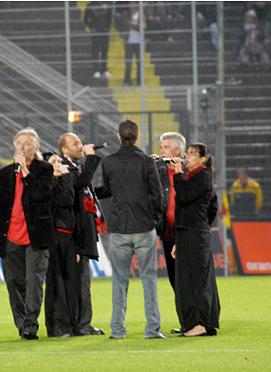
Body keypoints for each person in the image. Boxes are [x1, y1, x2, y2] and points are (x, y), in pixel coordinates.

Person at [0, 128, 54, 340]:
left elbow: (40, 194)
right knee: (14, 284)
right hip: (10, 237)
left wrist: (25, 172)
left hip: (36, 238)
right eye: (19, 143)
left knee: (33, 283)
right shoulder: (5, 174)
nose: (21, 147)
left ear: (36, 147)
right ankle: (22, 324)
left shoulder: (45, 170)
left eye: (26, 143)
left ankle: (31, 325)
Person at [96, 119, 166, 339]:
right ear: (137, 137)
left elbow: (108, 190)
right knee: (149, 278)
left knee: (119, 280)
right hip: (144, 226)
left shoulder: (108, 162)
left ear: (119, 137)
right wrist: (156, 219)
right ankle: (152, 329)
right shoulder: (146, 161)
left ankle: (117, 329)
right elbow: (158, 194)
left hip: (119, 227)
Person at [58, 132, 105, 336]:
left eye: (80, 142)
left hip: (82, 233)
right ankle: (81, 324)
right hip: (75, 235)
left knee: (82, 281)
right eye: (75, 143)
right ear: (64, 150)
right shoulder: (64, 167)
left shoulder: (74, 167)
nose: (81, 145)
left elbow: (87, 187)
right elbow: (81, 182)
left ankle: (81, 323)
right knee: (79, 282)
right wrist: (92, 157)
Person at [171, 143, 220, 337]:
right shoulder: (192, 177)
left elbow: (184, 197)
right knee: (186, 281)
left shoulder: (203, 176)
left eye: (192, 154)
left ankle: (201, 323)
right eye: (187, 153)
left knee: (197, 280)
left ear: (202, 159)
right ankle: (192, 322)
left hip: (195, 234)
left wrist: (177, 174)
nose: (187, 157)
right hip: (186, 233)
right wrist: (177, 239)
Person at [42, 152, 77, 338]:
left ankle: (69, 325)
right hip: (53, 236)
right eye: (53, 162)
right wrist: (67, 176)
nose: (57, 164)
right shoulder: (46, 184)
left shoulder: (62, 181)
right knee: (55, 283)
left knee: (69, 281)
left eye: (59, 161)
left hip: (68, 236)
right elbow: (66, 200)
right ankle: (55, 326)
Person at [154, 132, 186, 297]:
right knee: (174, 281)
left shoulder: (188, 173)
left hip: (186, 235)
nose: (162, 151)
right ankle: (186, 321)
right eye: (161, 148)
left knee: (188, 280)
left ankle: (196, 321)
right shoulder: (159, 173)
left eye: (166, 147)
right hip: (167, 235)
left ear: (177, 151)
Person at [84, 1, 113, 79]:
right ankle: (96, 70)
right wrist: (91, 27)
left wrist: (107, 28)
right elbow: (86, 19)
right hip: (95, 32)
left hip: (104, 32)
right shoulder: (90, 5)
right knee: (95, 51)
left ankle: (104, 70)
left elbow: (110, 17)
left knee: (104, 51)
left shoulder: (107, 4)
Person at [122, 2, 146, 87]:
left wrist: (134, 26)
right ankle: (127, 81)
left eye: (133, 3)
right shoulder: (125, 14)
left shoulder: (141, 13)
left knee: (139, 63)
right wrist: (138, 26)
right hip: (129, 41)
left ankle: (140, 81)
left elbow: (144, 26)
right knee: (128, 63)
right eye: (130, 3)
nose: (131, 5)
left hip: (138, 41)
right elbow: (128, 24)